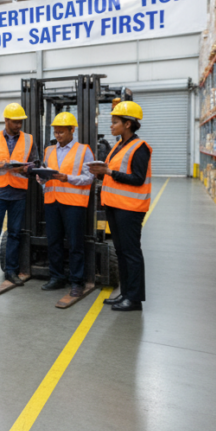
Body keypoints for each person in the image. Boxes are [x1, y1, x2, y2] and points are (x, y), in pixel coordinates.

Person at [88, 101, 151, 312]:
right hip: (115, 206)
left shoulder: (140, 148)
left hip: (130, 208)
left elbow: (138, 179)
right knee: (121, 251)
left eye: (115, 122)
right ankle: (125, 293)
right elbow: (113, 173)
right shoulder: (118, 145)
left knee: (131, 253)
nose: (111, 125)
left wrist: (108, 172)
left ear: (128, 124)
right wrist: (101, 171)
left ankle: (134, 299)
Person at [0, 103, 38, 285]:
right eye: (15, 122)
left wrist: (26, 169)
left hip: (18, 192)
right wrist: (0, 165)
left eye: (20, 122)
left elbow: (35, 162)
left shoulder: (28, 139)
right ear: (5, 120)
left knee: (14, 233)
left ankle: (11, 271)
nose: (18, 125)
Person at [38, 112, 94, 299]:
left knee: (75, 242)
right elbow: (46, 175)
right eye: (56, 132)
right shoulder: (49, 150)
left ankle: (77, 281)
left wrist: (67, 178)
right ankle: (57, 277)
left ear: (72, 130)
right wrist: (41, 178)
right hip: (52, 201)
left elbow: (89, 177)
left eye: (61, 132)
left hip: (73, 203)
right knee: (53, 241)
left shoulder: (83, 150)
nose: (58, 135)